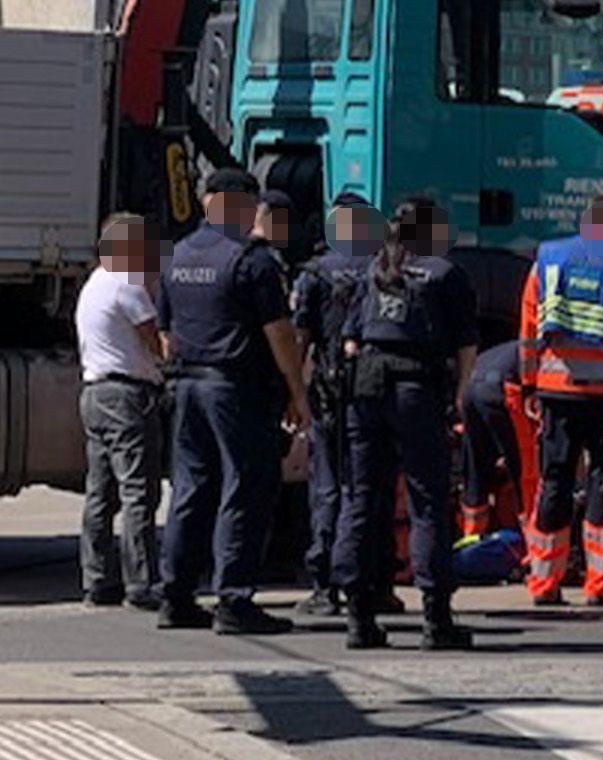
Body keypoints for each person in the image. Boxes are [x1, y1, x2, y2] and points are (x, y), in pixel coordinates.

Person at [155, 168, 311, 635]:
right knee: (245, 487)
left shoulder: (177, 256)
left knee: (191, 488)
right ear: (239, 205)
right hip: (236, 388)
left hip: (187, 385)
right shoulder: (253, 260)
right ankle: (233, 600)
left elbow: (165, 335)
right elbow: (279, 334)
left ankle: (177, 596)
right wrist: (296, 392)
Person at [334, 197, 479, 650]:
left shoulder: (375, 270)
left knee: (361, 497)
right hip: (416, 387)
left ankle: (358, 616)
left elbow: (350, 342)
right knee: (427, 499)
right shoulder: (444, 274)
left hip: (368, 386)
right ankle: (436, 618)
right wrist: (459, 396)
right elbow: (465, 346)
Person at [518, 195, 603, 607]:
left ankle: (544, 582)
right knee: (602, 480)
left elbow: (528, 326)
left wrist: (528, 384)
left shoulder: (548, 260)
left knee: (554, 481)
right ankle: (601, 583)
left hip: (557, 388)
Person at [291, 193, 388, 617]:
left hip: (329, 392)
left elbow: (300, 340)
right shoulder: (384, 269)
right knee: (370, 488)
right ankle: (372, 582)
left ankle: (324, 585)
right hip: (374, 393)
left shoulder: (314, 273)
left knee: (327, 488)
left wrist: (293, 392)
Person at [76, 213, 165, 610]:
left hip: (94, 392)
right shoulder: (127, 286)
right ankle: (141, 582)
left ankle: (96, 579)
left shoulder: (93, 284)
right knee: (137, 491)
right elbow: (156, 344)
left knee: (100, 492)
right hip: (127, 396)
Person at [458, 339, 521, 539]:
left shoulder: (504, 350)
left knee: (475, 467)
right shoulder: (543, 353)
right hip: (501, 387)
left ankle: (471, 537)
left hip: (471, 386)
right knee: (525, 470)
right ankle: (530, 543)